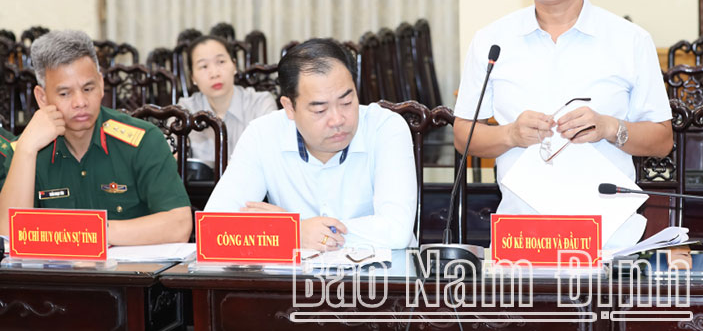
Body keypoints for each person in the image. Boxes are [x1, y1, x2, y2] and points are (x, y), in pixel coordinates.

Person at [453, 0, 674, 247]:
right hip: (522, 239)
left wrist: (608, 128)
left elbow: (662, 141)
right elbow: (463, 135)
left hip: (608, 237)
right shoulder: (492, 42)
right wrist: (510, 134)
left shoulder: (630, 41)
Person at [204, 38, 417, 251]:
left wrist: (292, 230)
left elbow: (397, 231)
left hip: (379, 280)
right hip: (294, 282)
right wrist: (294, 232)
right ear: (289, 107)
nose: (337, 120)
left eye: (346, 102)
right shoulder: (262, 134)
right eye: (319, 110)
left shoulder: (386, 129)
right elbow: (214, 228)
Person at [0, 30, 192, 245]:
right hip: (55, 277)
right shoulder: (27, 150)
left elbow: (179, 225)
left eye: (88, 88)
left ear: (101, 85)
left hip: (127, 277)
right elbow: (8, 235)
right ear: (42, 98)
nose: (80, 102)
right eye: (65, 94)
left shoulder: (143, 140)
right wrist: (26, 150)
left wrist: (90, 233)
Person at [177, 35, 276, 170]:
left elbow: (270, 156)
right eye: (204, 66)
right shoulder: (184, 110)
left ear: (234, 66)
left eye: (221, 62)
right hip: (200, 190)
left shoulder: (260, 103)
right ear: (193, 77)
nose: (214, 73)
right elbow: (172, 156)